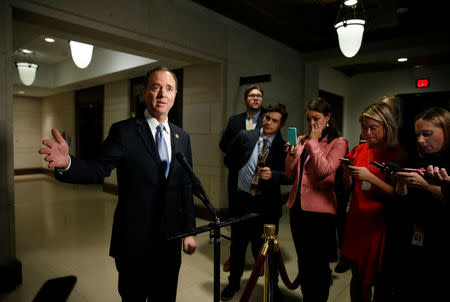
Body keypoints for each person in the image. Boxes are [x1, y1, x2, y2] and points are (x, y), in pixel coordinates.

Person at [39, 66, 197, 302]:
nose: (162, 94)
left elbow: (185, 187)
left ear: (175, 95)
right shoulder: (124, 132)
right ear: (144, 92)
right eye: (156, 87)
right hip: (134, 242)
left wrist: (189, 231)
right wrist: (68, 163)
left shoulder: (181, 137)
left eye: (169, 88)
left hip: (169, 243)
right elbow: (98, 169)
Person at [220, 103, 290, 301]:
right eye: (267, 117)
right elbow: (228, 161)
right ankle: (233, 284)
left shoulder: (284, 147)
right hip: (242, 201)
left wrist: (274, 175)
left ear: (281, 124)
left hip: (267, 206)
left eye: (274, 120)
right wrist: (242, 171)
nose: (268, 122)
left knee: (268, 251)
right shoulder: (245, 136)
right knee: (238, 247)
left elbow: (291, 176)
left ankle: (273, 288)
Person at [285, 97, 348, 302]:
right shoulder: (302, 139)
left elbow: (325, 172)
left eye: (317, 118)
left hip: (321, 213)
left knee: (319, 267)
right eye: (309, 118)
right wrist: (292, 154)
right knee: (304, 263)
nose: (313, 123)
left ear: (328, 117)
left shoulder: (339, 142)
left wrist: (313, 143)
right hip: (298, 209)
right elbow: (290, 174)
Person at [340, 102, 404, 302]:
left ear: (387, 127)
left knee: (378, 279)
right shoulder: (359, 150)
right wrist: (347, 173)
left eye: (373, 128)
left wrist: (371, 178)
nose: (367, 132)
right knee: (356, 276)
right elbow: (347, 189)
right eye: (364, 127)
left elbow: (399, 196)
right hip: (356, 220)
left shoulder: (397, 154)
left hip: (379, 225)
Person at [386, 107, 450, 301]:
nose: (421, 140)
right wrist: (402, 187)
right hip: (414, 246)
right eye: (418, 135)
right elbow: (403, 209)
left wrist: (427, 186)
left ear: (447, 131)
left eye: (427, 134)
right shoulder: (417, 160)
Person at [219, 84, 265, 272]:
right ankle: (235, 257)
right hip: (237, 179)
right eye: (252, 95)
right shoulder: (234, 121)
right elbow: (223, 145)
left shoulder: (268, 119)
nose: (255, 98)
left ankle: (258, 259)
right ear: (245, 99)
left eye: (259, 96)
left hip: (260, 181)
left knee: (257, 223)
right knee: (237, 221)